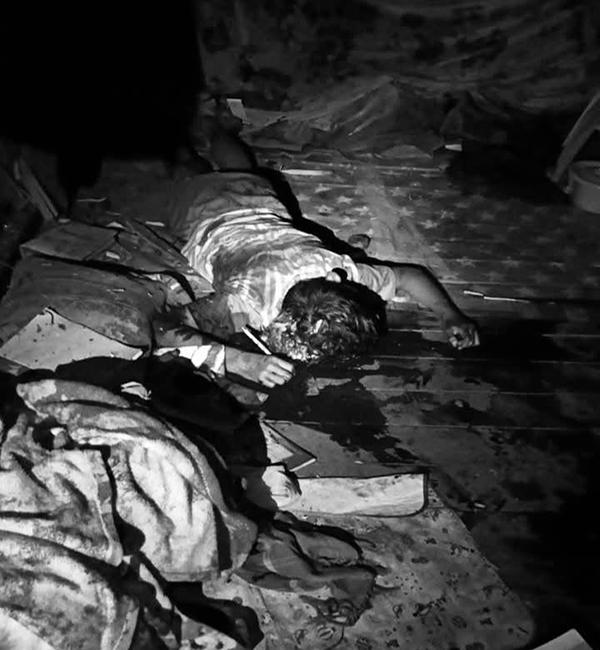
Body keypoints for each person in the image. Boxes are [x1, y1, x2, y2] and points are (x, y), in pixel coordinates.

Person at [160, 127, 479, 364]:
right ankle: (191, 139)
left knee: (242, 171)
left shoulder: (343, 272)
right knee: (193, 170)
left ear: (334, 279)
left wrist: (449, 316)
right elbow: (164, 329)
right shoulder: (245, 303)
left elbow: (409, 276)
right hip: (203, 214)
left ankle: (216, 127)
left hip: (256, 199)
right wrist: (241, 362)